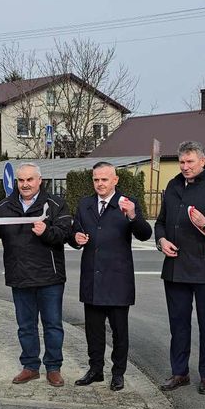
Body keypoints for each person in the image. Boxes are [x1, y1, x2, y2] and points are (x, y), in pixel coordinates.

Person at [0, 163, 72, 387]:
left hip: (50, 276)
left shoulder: (55, 204)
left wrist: (47, 232)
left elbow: (65, 234)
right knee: (25, 325)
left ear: (39, 180)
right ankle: (30, 366)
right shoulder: (5, 205)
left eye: (29, 180)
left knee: (52, 325)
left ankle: (53, 368)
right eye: (21, 180)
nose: (25, 184)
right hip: (19, 274)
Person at [154, 141, 205, 395]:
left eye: (190, 162)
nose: (185, 167)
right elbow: (161, 222)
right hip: (175, 267)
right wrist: (161, 241)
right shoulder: (173, 185)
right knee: (178, 324)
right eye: (182, 162)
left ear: (203, 161)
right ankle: (180, 373)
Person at [69, 162, 152, 391]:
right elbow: (74, 232)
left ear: (115, 180)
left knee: (119, 332)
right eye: (96, 179)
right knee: (93, 331)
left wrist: (133, 216)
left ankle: (118, 373)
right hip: (92, 278)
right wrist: (75, 238)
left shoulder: (126, 203)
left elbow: (145, 234)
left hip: (117, 279)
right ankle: (95, 370)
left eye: (104, 179)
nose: (100, 184)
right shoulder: (85, 204)